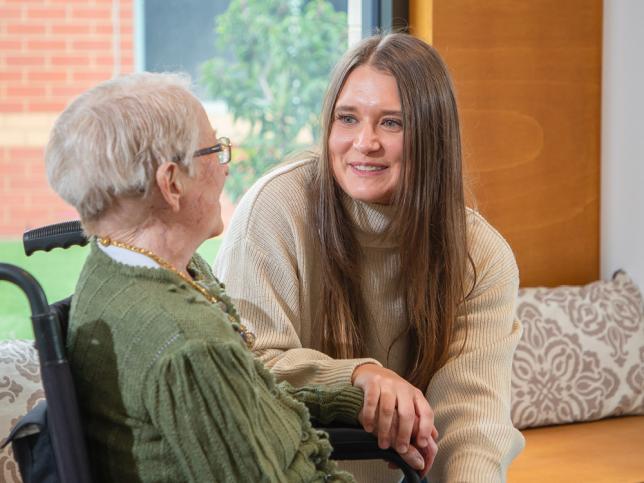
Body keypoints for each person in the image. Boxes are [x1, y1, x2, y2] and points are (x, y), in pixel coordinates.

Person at [43, 72, 421, 482]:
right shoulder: (188, 346)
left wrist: (349, 400)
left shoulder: (120, 270)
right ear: (172, 183)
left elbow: (248, 396)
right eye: (214, 150)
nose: (225, 168)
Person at [215, 32, 525, 482]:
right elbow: (245, 367)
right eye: (348, 118)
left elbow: (474, 419)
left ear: (432, 135)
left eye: (392, 123)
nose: (364, 142)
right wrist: (358, 375)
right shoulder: (276, 208)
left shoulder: (481, 254)